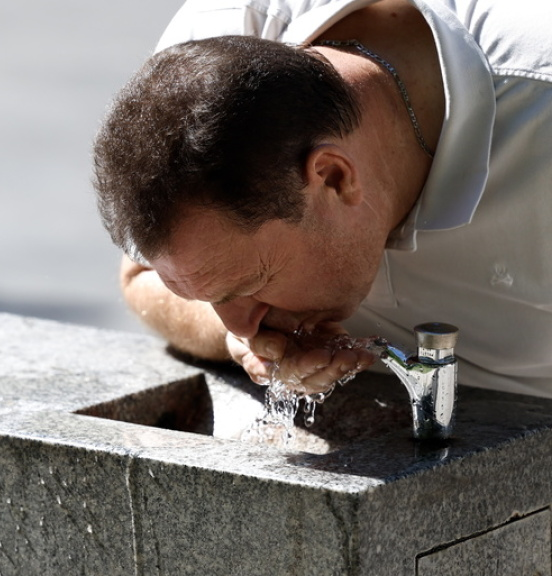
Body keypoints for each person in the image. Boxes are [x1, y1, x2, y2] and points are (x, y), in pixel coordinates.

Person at [92, 0, 552, 398]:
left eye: (249, 284)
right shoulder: (208, 59)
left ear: (333, 177)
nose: (240, 323)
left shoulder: (539, 111)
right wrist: (231, 342)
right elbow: (140, 277)